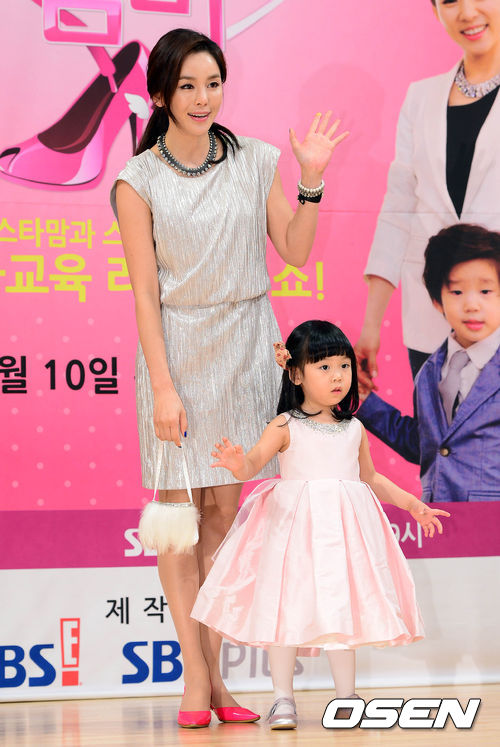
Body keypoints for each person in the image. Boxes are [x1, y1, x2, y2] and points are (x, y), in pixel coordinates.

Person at [111, 29, 348, 728]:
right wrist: (163, 387)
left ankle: (215, 677)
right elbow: (144, 296)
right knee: (177, 524)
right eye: (187, 86)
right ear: (160, 95)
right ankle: (197, 674)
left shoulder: (254, 160)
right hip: (178, 354)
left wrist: (311, 179)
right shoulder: (137, 181)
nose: (202, 98)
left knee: (222, 519)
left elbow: (295, 252)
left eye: (212, 83)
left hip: (246, 349)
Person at [191, 320, 450, 729]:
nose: (337, 377)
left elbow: (371, 477)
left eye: (343, 366)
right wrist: (238, 464)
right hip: (292, 534)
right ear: (296, 374)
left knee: (341, 608)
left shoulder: (354, 428)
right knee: (285, 610)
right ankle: (282, 699)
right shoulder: (284, 425)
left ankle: (346, 698)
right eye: (324, 367)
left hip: (342, 535)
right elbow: (253, 463)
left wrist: (412, 503)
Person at [355, 0, 500, 385]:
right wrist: (371, 325)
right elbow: (398, 210)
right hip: (431, 317)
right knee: (434, 424)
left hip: (495, 309)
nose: (467, 12)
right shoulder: (420, 98)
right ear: (435, 10)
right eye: (450, 0)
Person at [357, 224, 500, 502]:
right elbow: (428, 445)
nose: (472, 305)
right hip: (439, 516)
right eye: (457, 292)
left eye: (485, 291)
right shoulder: (430, 371)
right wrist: (365, 402)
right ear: (437, 300)